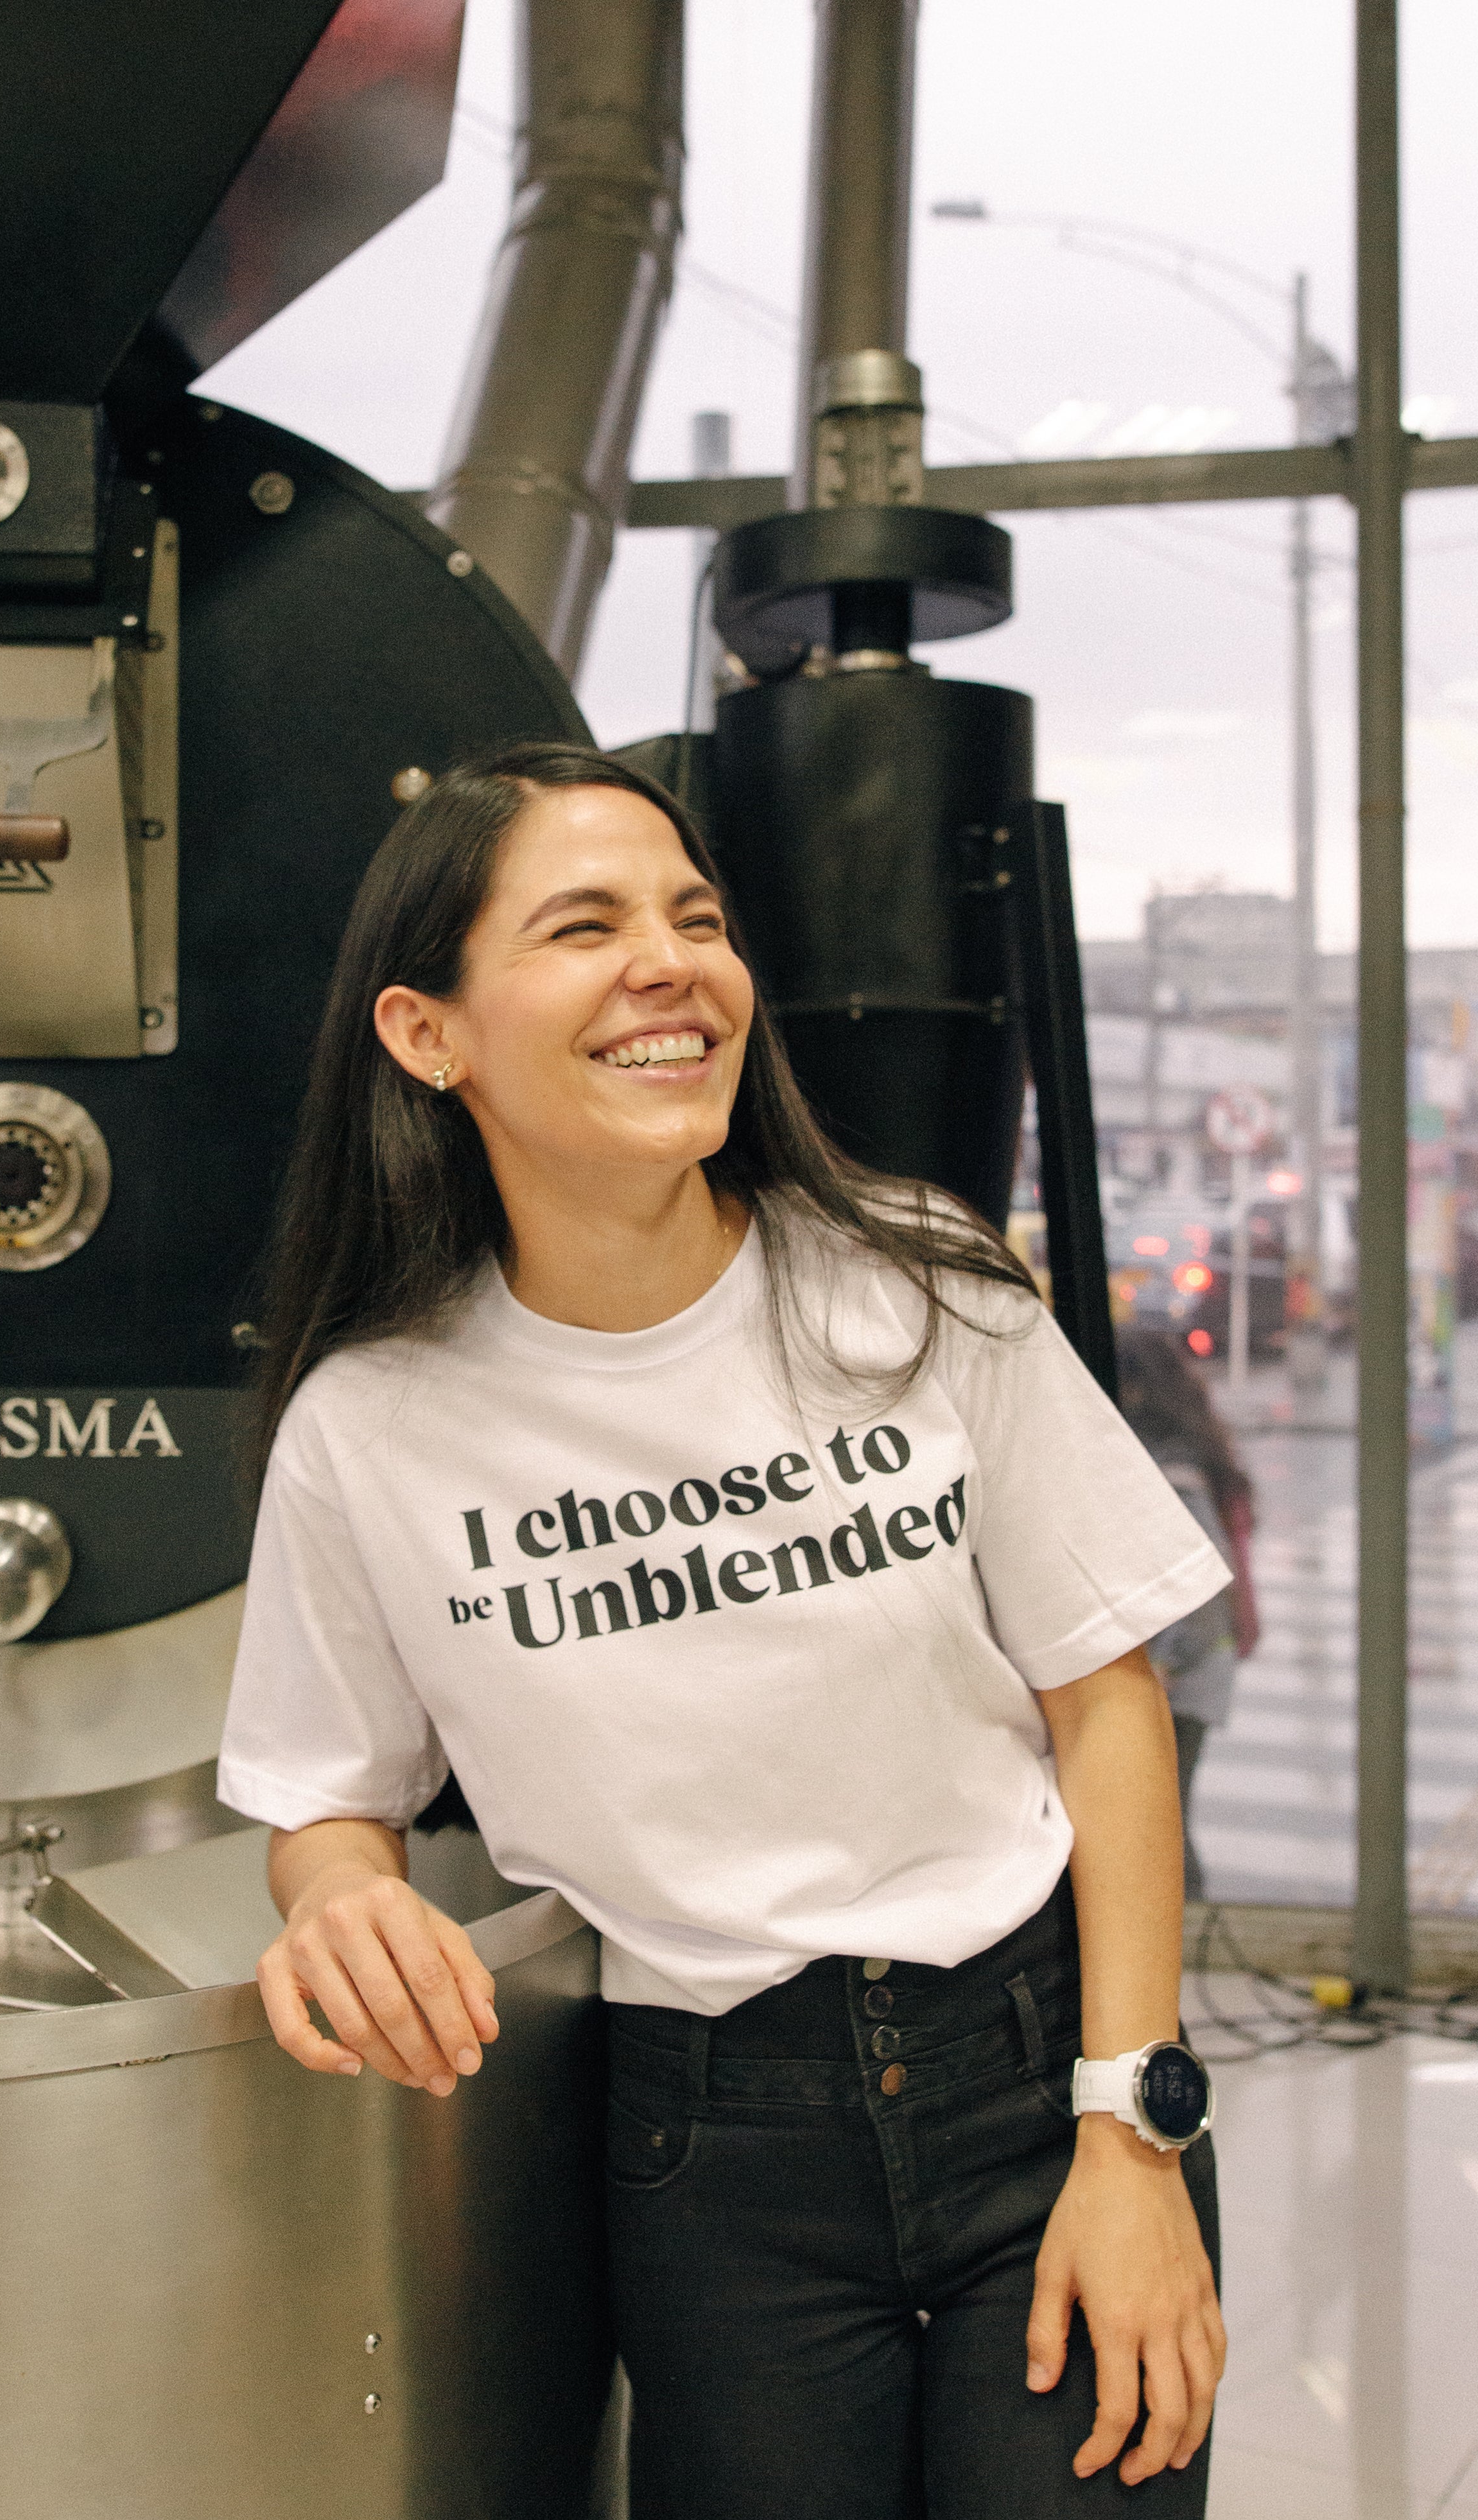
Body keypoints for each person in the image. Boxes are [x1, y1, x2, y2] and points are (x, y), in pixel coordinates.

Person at [218, 742, 1230, 2517]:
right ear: (426, 1033)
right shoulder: (369, 1427)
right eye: (582, 925)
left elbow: (1106, 1698)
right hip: (707, 2145)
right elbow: (322, 1796)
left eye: (693, 916)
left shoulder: (915, 1283)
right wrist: (341, 1894)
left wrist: (1128, 2130)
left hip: (1037, 2072)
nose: (667, 962)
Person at [1112, 1333, 1259, 1899]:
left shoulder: (1170, 1470)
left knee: (1159, 1831)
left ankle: (1179, 1948)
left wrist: (1159, 1663)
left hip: (1179, 1679)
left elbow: (1198, 1582)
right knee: (1164, 1823)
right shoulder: (1196, 1451)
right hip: (1197, 1671)